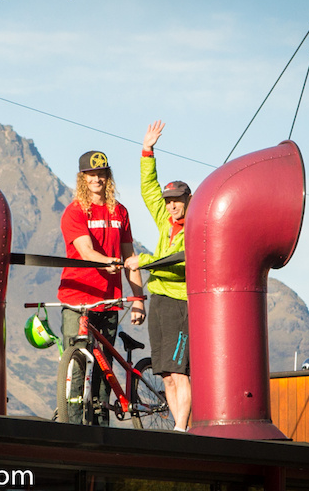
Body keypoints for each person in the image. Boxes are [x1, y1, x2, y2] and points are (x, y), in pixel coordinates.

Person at [58, 150, 146, 425]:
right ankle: (72, 429)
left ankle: (101, 428)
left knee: (103, 370)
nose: (97, 179)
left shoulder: (120, 211)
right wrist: (105, 261)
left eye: (101, 174)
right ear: (82, 178)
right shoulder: (74, 212)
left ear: (108, 177)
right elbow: (85, 251)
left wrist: (138, 299)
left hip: (109, 301)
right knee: (76, 367)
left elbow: (130, 258)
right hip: (77, 301)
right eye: (91, 174)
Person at [124, 120, 192, 432]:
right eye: (169, 200)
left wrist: (144, 261)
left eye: (177, 199)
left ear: (188, 200)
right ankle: (179, 429)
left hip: (181, 304)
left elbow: (177, 263)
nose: (172, 205)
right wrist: (147, 151)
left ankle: (181, 428)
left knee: (179, 371)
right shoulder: (166, 219)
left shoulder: (194, 228)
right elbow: (149, 190)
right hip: (160, 300)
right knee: (164, 373)